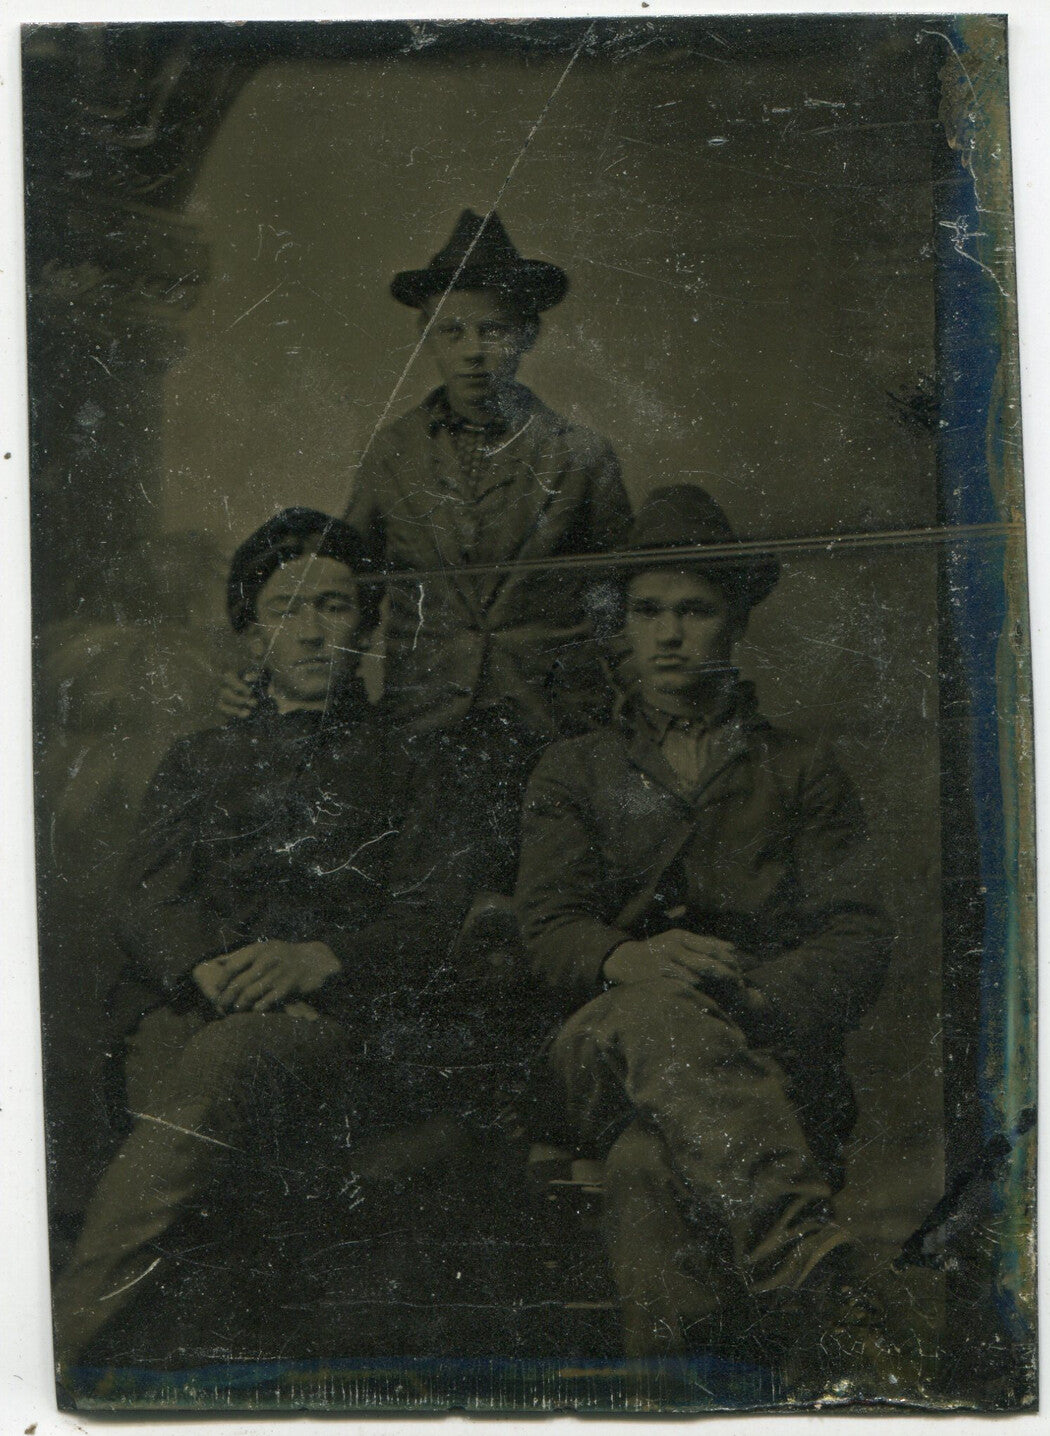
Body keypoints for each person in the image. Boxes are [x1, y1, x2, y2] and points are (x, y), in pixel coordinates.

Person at [52, 509, 484, 1373]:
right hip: (200, 1004)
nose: (315, 631)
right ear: (252, 630)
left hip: (339, 1028)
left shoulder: (419, 763)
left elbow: (438, 915)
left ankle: (59, 1348)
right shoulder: (200, 756)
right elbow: (145, 895)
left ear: (366, 624)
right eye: (289, 608)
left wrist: (323, 958)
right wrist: (204, 965)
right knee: (176, 1061)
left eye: (336, 606)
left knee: (224, 1063)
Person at [514, 485, 894, 1378]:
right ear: (624, 626)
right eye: (647, 612)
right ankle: (807, 1260)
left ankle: (676, 1399)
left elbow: (856, 939)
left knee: (649, 1169)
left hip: (758, 1057)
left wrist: (745, 993)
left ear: (738, 623)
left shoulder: (801, 770)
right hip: (599, 1054)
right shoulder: (575, 767)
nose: (669, 634)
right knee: (652, 1010)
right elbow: (545, 930)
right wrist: (630, 958)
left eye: (695, 610)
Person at [223, 210, 632, 889]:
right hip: (425, 721)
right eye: (452, 331)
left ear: (527, 335)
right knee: (431, 894)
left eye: (493, 330)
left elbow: (621, 601)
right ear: (428, 341)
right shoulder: (394, 452)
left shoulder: (581, 457)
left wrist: (633, 714)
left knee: (544, 892)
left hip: (552, 721)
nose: (473, 350)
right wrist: (268, 678)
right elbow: (344, 583)